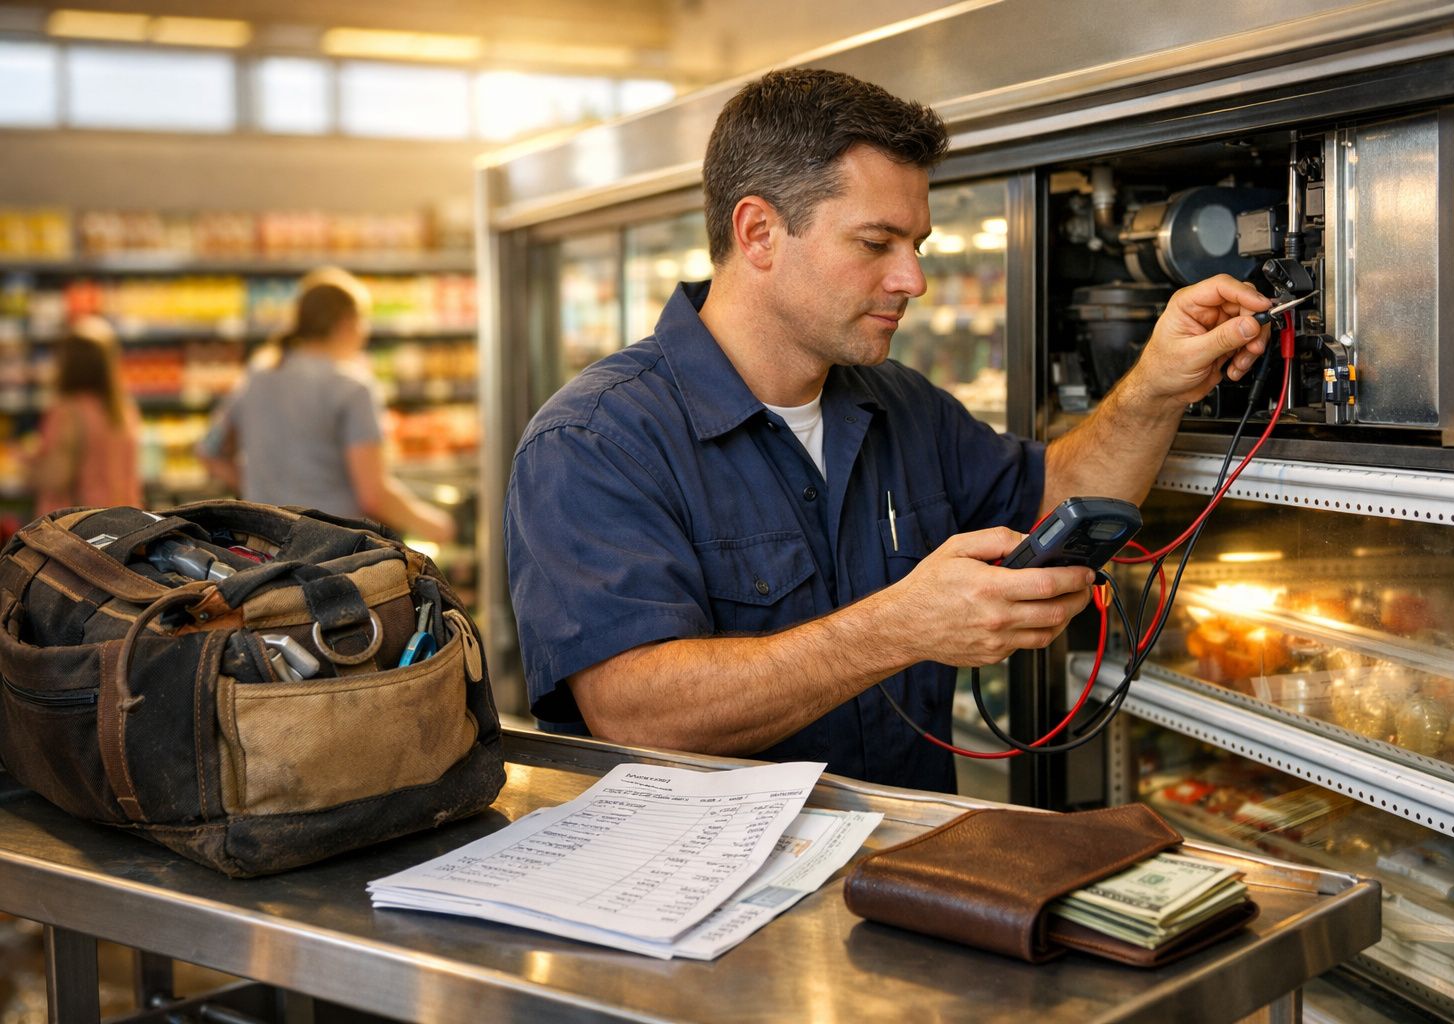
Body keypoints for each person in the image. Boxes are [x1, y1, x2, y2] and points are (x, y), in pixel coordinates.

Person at [503, 69, 1275, 791]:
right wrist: (898, 627)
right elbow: (636, 713)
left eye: (918, 246)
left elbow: (1062, 495)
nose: (913, 280)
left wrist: (1158, 383)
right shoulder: (595, 441)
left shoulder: (899, 404)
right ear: (759, 233)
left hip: (902, 895)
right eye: (876, 244)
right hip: (700, 920)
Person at [198, 267, 453, 544]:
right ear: (346, 323)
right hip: (332, 553)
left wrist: (257, 488)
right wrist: (437, 526)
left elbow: (208, 451)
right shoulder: (352, 388)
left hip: (265, 549)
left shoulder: (257, 376)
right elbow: (373, 495)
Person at [29, 315, 143, 516]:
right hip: (124, 522)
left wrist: (28, 466)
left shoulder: (69, 410)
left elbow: (57, 478)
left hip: (78, 527)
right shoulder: (123, 408)